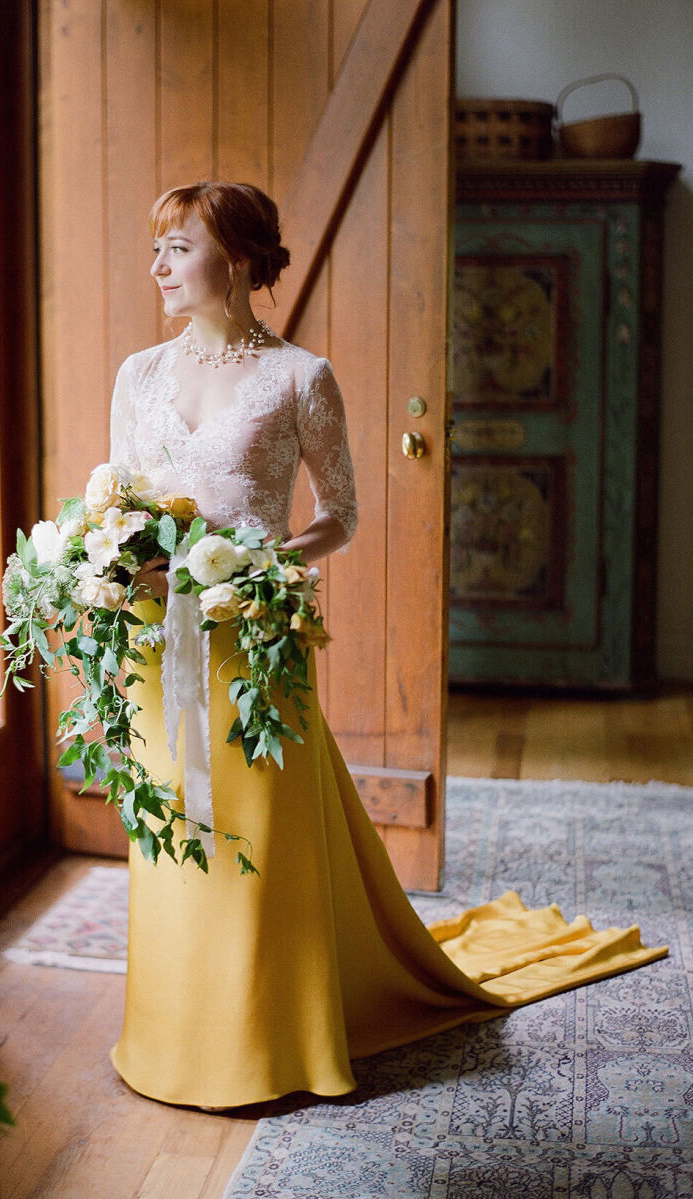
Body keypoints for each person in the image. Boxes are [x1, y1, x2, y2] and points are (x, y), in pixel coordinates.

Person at [108, 180, 665, 1110]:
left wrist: (258, 568)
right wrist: (116, 568)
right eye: (157, 247)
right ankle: (170, 1036)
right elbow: (118, 501)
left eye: (179, 246)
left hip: (255, 638)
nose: (159, 266)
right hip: (153, 643)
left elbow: (341, 517)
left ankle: (269, 1040)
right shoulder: (137, 375)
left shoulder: (299, 377)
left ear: (238, 262)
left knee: (256, 838)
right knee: (169, 835)